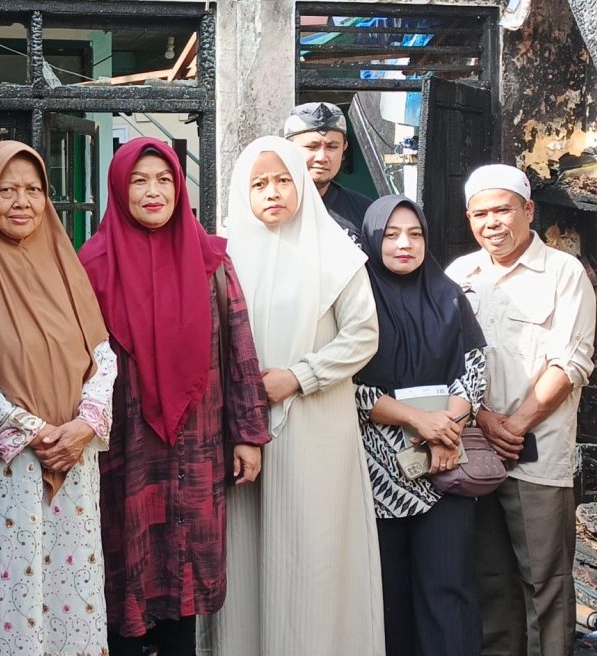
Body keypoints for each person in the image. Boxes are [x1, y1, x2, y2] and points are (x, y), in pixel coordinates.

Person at [79, 138, 270, 656]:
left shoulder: (210, 260)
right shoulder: (90, 266)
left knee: (184, 576)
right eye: (139, 180)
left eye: (164, 179)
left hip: (196, 446)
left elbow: (240, 350)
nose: (153, 191)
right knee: (124, 572)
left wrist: (248, 436)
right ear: (119, 188)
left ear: (180, 187)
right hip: (122, 451)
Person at [202, 136, 383, 656]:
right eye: (259, 183)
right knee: (246, 551)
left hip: (316, 426)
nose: (273, 192)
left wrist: (300, 376)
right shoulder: (223, 257)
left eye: (283, 179)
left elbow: (363, 336)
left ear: (302, 182)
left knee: (313, 550)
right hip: (241, 430)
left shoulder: (336, 253)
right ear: (242, 192)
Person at [0, 140, 116, 655]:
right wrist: (35, 432)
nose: (22, 202)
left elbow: (102, 353)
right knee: (6, 599)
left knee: (72, 596)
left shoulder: (63, 264)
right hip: (2, 471)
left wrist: (85, 424)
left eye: (34, 190)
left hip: (75, 462)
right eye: (6, 190)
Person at [445, 164, 596, 656]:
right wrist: (484, 420)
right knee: (489, 579)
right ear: (469, 219)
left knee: (544, 582)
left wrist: (513, 426)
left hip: (537, 453)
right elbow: (447, 359)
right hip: (475, 449)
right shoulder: (459, 275)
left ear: (528, 210)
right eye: (480, 214)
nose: (492, 222)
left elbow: (571, 362)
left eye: (503, 210)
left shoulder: (563, 272)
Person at [355, 195, 487, 656]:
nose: (404, 244)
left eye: (414, 234)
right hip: (375, 472)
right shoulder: (355, 300)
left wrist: (448, 429)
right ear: (371, 239)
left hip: (444, 465)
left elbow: (474, 369)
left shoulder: (449, 295)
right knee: (387, 594)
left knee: (449, 588)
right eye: (390, 235)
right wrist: (418, 420)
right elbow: (346, 386)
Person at [284, 101, 374, 239]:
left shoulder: (366, 213)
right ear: (288, 149)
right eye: (311, 146)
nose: (322, 157)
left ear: (344, 148)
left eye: (332, 147)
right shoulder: (270, 207)